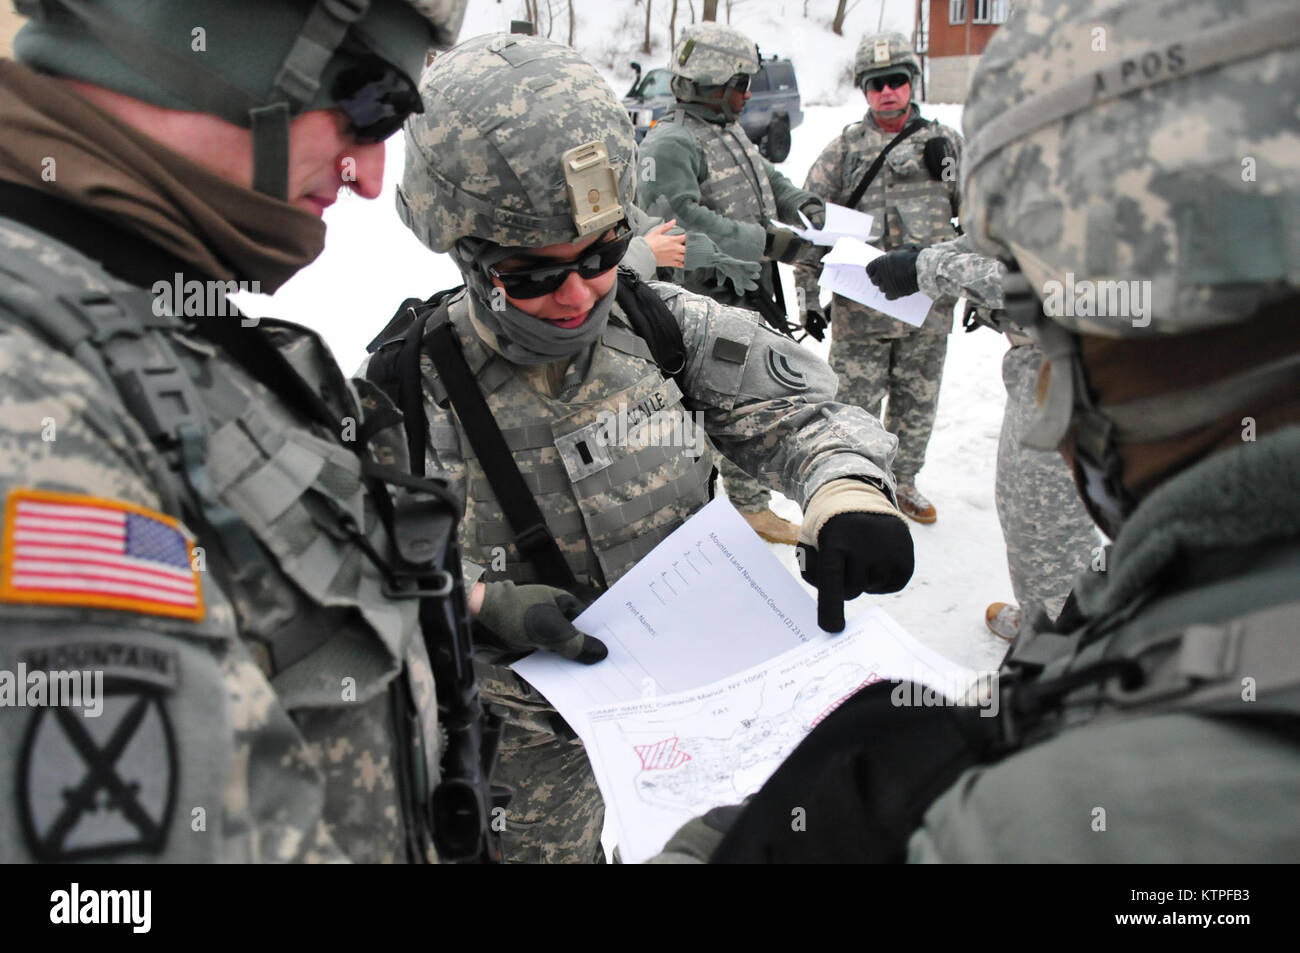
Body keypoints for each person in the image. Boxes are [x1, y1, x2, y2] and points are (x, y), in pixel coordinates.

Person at [655, 0, 1300, 863]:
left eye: (1046, 333)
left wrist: (757, 837)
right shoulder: (704, 142)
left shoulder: (1043, 812)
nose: (1048, 422)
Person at [376, 32, 916, 863]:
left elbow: (804, 415)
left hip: (706, 710)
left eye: (599, 254)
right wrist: (479, 605)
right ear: (465, 255)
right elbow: (350, 567)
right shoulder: (406, 392)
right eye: (532, 274)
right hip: (525, 742)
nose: (579, 292)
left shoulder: (658, 326)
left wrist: (845, 491)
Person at [0, 0, 481, 863]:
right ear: (227, 52)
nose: (371, 175)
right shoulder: (30, 397)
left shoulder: (144, 311)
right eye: (371, 106)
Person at [636, 22, 827, 546]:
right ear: (712, 82)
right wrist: (769, 241)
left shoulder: (725, 128)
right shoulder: (670, 141)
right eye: (741, 84)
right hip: (709, 301)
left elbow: (768, 178)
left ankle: (749, 504)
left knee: (755, 397)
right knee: (730, 405)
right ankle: (733, 509)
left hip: (748, 289)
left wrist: (800, 203)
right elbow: (682, 221)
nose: (747, 95)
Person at [869, 236, 1097, 640]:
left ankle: (1061, 648)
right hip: (1049, 364)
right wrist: (939, 251)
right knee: (1030, 508)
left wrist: (930, 266)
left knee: (1048, 522)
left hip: (1085, 367)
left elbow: (1059, 284)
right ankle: (1045, 616)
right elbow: (1013, 232)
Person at [794, 31, 963, 525]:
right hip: (860, 315)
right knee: (851, 412)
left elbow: (978, 220)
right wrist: (807, 296)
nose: (887, 92)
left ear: (911, 82)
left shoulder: (946, 145)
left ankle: (904, 481)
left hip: (927, 311)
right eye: (875, 84)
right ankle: (856, 490)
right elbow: (811, 226)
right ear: (864, 91)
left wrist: (982, 292)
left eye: (896, 81)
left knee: (917, 407)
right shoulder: (844, 150)